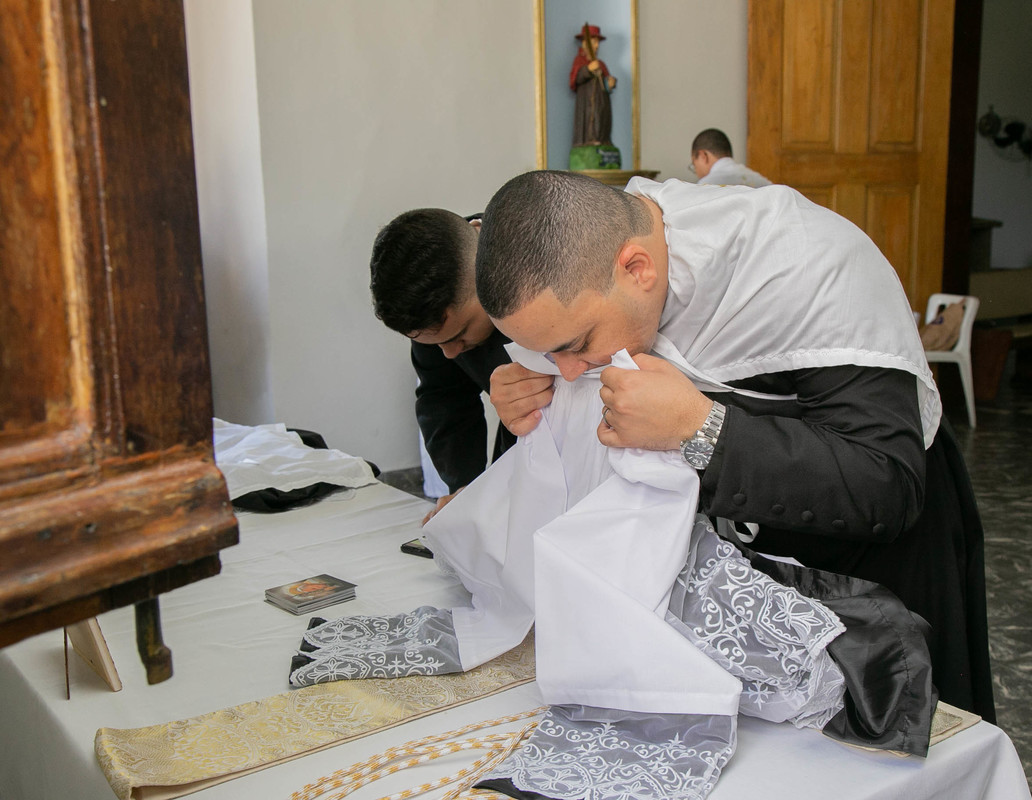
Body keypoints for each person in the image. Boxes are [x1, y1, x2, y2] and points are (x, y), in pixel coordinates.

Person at [475, 170, 996, 722]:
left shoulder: (806, 264)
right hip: (743, 581)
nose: (569, 369)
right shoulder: (593, 277)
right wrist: (531, 403)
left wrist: (698, 428)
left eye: (575, 346)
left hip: (874, 567)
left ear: (637, 268)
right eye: (547, 355)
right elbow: (575, 407)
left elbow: (883, 482)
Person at [369, 208, 516, 521]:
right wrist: (467, 488)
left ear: (488, 270)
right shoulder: (434, 295)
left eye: (460, 335)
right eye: (435, 344)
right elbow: (444, 398)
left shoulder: (546, 271)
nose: (450, 354)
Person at [570, 24, 617, 149]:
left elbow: (605, 81)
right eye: (594, 42)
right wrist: (588, 69)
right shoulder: (579, 60)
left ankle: (602, 140)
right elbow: (575, 79)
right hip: (587, 103)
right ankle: (590, 140)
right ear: (585, 43)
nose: (597, 46)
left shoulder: (600, 63)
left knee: (601, 121)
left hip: (602, 103)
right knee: (591, 122)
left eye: (598, 43)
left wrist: (610, 83)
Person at [689, 128, 772, 187]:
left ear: (703, 156)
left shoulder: (706, 186)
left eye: (694, 165)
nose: (697, 173)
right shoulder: (764, 183)